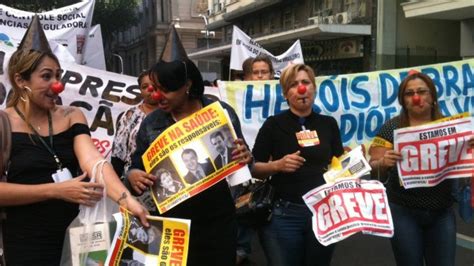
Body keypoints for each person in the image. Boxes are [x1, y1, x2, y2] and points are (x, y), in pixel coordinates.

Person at [0, 15, 148, 265]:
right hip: (26, 242)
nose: (57, 85)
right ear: (20, 80)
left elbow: (94, 161)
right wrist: (56, 190)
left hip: (79, 236)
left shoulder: (71, 116)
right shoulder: (3, 123)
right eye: (46, 77)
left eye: (58, 76)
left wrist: (126, 200)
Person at [126, 25, 253, 266]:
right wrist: (133, 175)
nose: (157, 97)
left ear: (187, 85)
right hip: (172, 225)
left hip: (218, 223)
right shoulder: (152, 123)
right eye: (154, 89)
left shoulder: (220, 112)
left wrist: (247, 157)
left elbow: (247, 164)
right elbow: (135, 166)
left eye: (166, 90)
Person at [368, 71, 474, 266]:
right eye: (409, 94)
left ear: (432, 96)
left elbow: (467, 165)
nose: (416, 97)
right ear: (403, 100)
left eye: (421, 91)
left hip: (441, 212)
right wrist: (382, 163)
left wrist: (470, 149)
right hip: (403, 212)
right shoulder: (391, 128)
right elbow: (373, 168)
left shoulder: (453, 127)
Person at [251, 64, 344, 266]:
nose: (301, 88)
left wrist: (353, 158)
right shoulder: (273, 125)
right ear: (285, 93)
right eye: (293, 85)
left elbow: (339, 163)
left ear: (314, 87)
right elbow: (253, 167)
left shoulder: (328, 124)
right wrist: (278, 165)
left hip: (323, 212)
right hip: (284, 215)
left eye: (305, 82)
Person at [111, 69, 159, 211]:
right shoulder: (130, 116)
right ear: (140, 90)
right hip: (136, 186)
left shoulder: (171, 113)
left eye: (155, 85)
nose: (150, 89)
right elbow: (118, 155)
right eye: (145, 87)